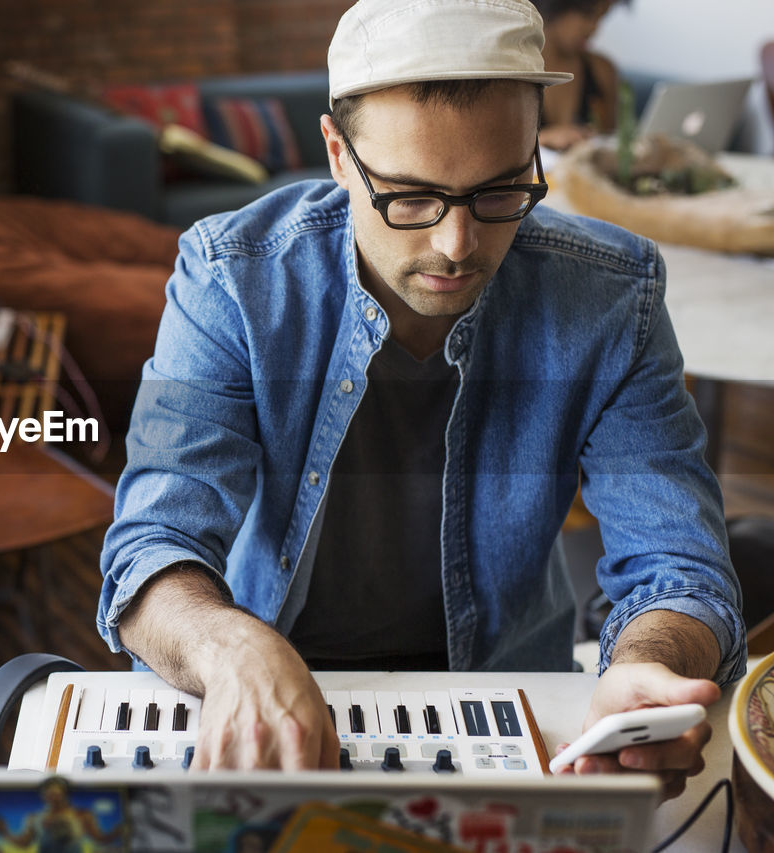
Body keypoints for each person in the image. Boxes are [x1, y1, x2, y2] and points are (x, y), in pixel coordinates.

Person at [97, 0, 744, 801]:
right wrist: (232, 646)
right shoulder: (233, 279)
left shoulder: (612, 299)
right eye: (409, 197)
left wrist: (650, 665)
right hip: (266, 691)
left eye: (501, 191)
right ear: (338, 154)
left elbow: (678, 567)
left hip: (512, 710)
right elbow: (152, 547)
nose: (456, 245)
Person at [533, 0, 624, 151]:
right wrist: (544, 139)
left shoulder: (603, 71)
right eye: (587, 15)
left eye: (602, 17)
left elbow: (610, 144)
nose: (594, 28)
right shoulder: (509, 70)